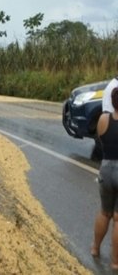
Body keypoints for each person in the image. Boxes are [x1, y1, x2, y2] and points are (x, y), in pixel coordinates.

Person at [92, 87, 118, 270]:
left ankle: (95, 248)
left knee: (104, 212)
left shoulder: (103, 119)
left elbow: (101, 140)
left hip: (106, 167)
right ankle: (115, 261)